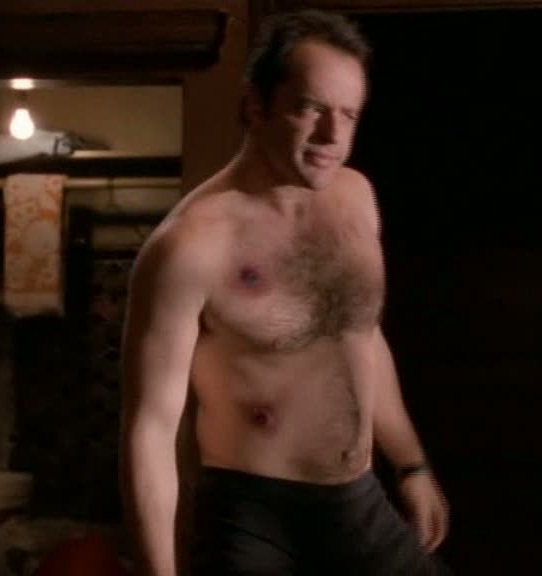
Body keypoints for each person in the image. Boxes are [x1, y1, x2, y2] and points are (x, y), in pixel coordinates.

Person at [119, 9, 451, 576]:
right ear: (256, 105)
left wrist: (411, 465)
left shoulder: (356, 199)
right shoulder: (189, 246)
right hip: (253, 517)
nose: (333, 136)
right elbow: (149, 431)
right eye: (312, 108)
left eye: (349, 115)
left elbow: (361, 335)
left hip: (356, 501)